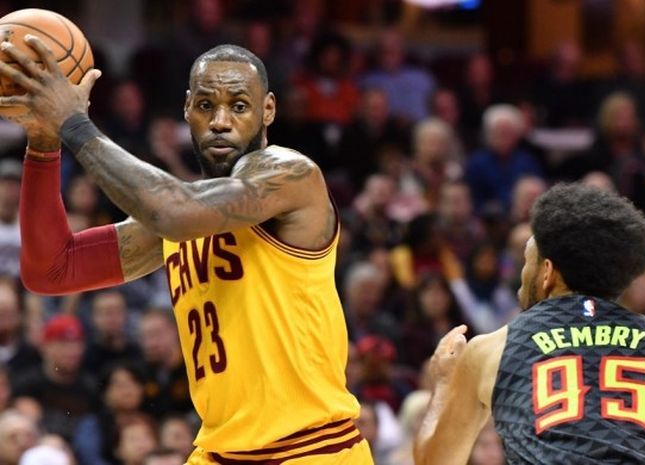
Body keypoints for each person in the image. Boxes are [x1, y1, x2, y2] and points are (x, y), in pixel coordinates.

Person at [0, 37, 372, 464]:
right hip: (217, 451)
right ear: (186, 109)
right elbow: (53, 270)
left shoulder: (292, 176)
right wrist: (43, 141)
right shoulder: (187, 213)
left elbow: (174, 211)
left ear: (268, 110)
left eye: (238, 105)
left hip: (309, 449)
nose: (219, 121)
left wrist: (74, 124)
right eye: (206, 105)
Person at [414, 183, 645, 464]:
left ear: (547, 272)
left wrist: (443, 384)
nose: (521, 275)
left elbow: (434, 461)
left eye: (527, 261)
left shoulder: (492, 349)